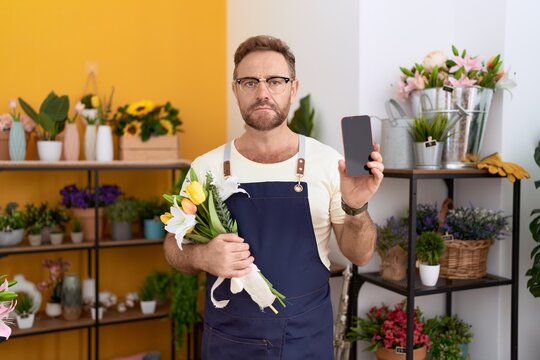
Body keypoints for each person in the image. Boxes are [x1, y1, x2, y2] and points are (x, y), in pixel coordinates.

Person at [163, 35, 384, 359]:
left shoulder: (327, 163)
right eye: (250, 81)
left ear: (293, 88)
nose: (263, 92)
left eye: (275, 81)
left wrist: (356, 207)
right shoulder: (206, 167)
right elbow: (172, 246)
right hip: (229, 342)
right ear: (235, 89)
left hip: (305, 341)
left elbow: (360, 255)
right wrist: (201, 256)